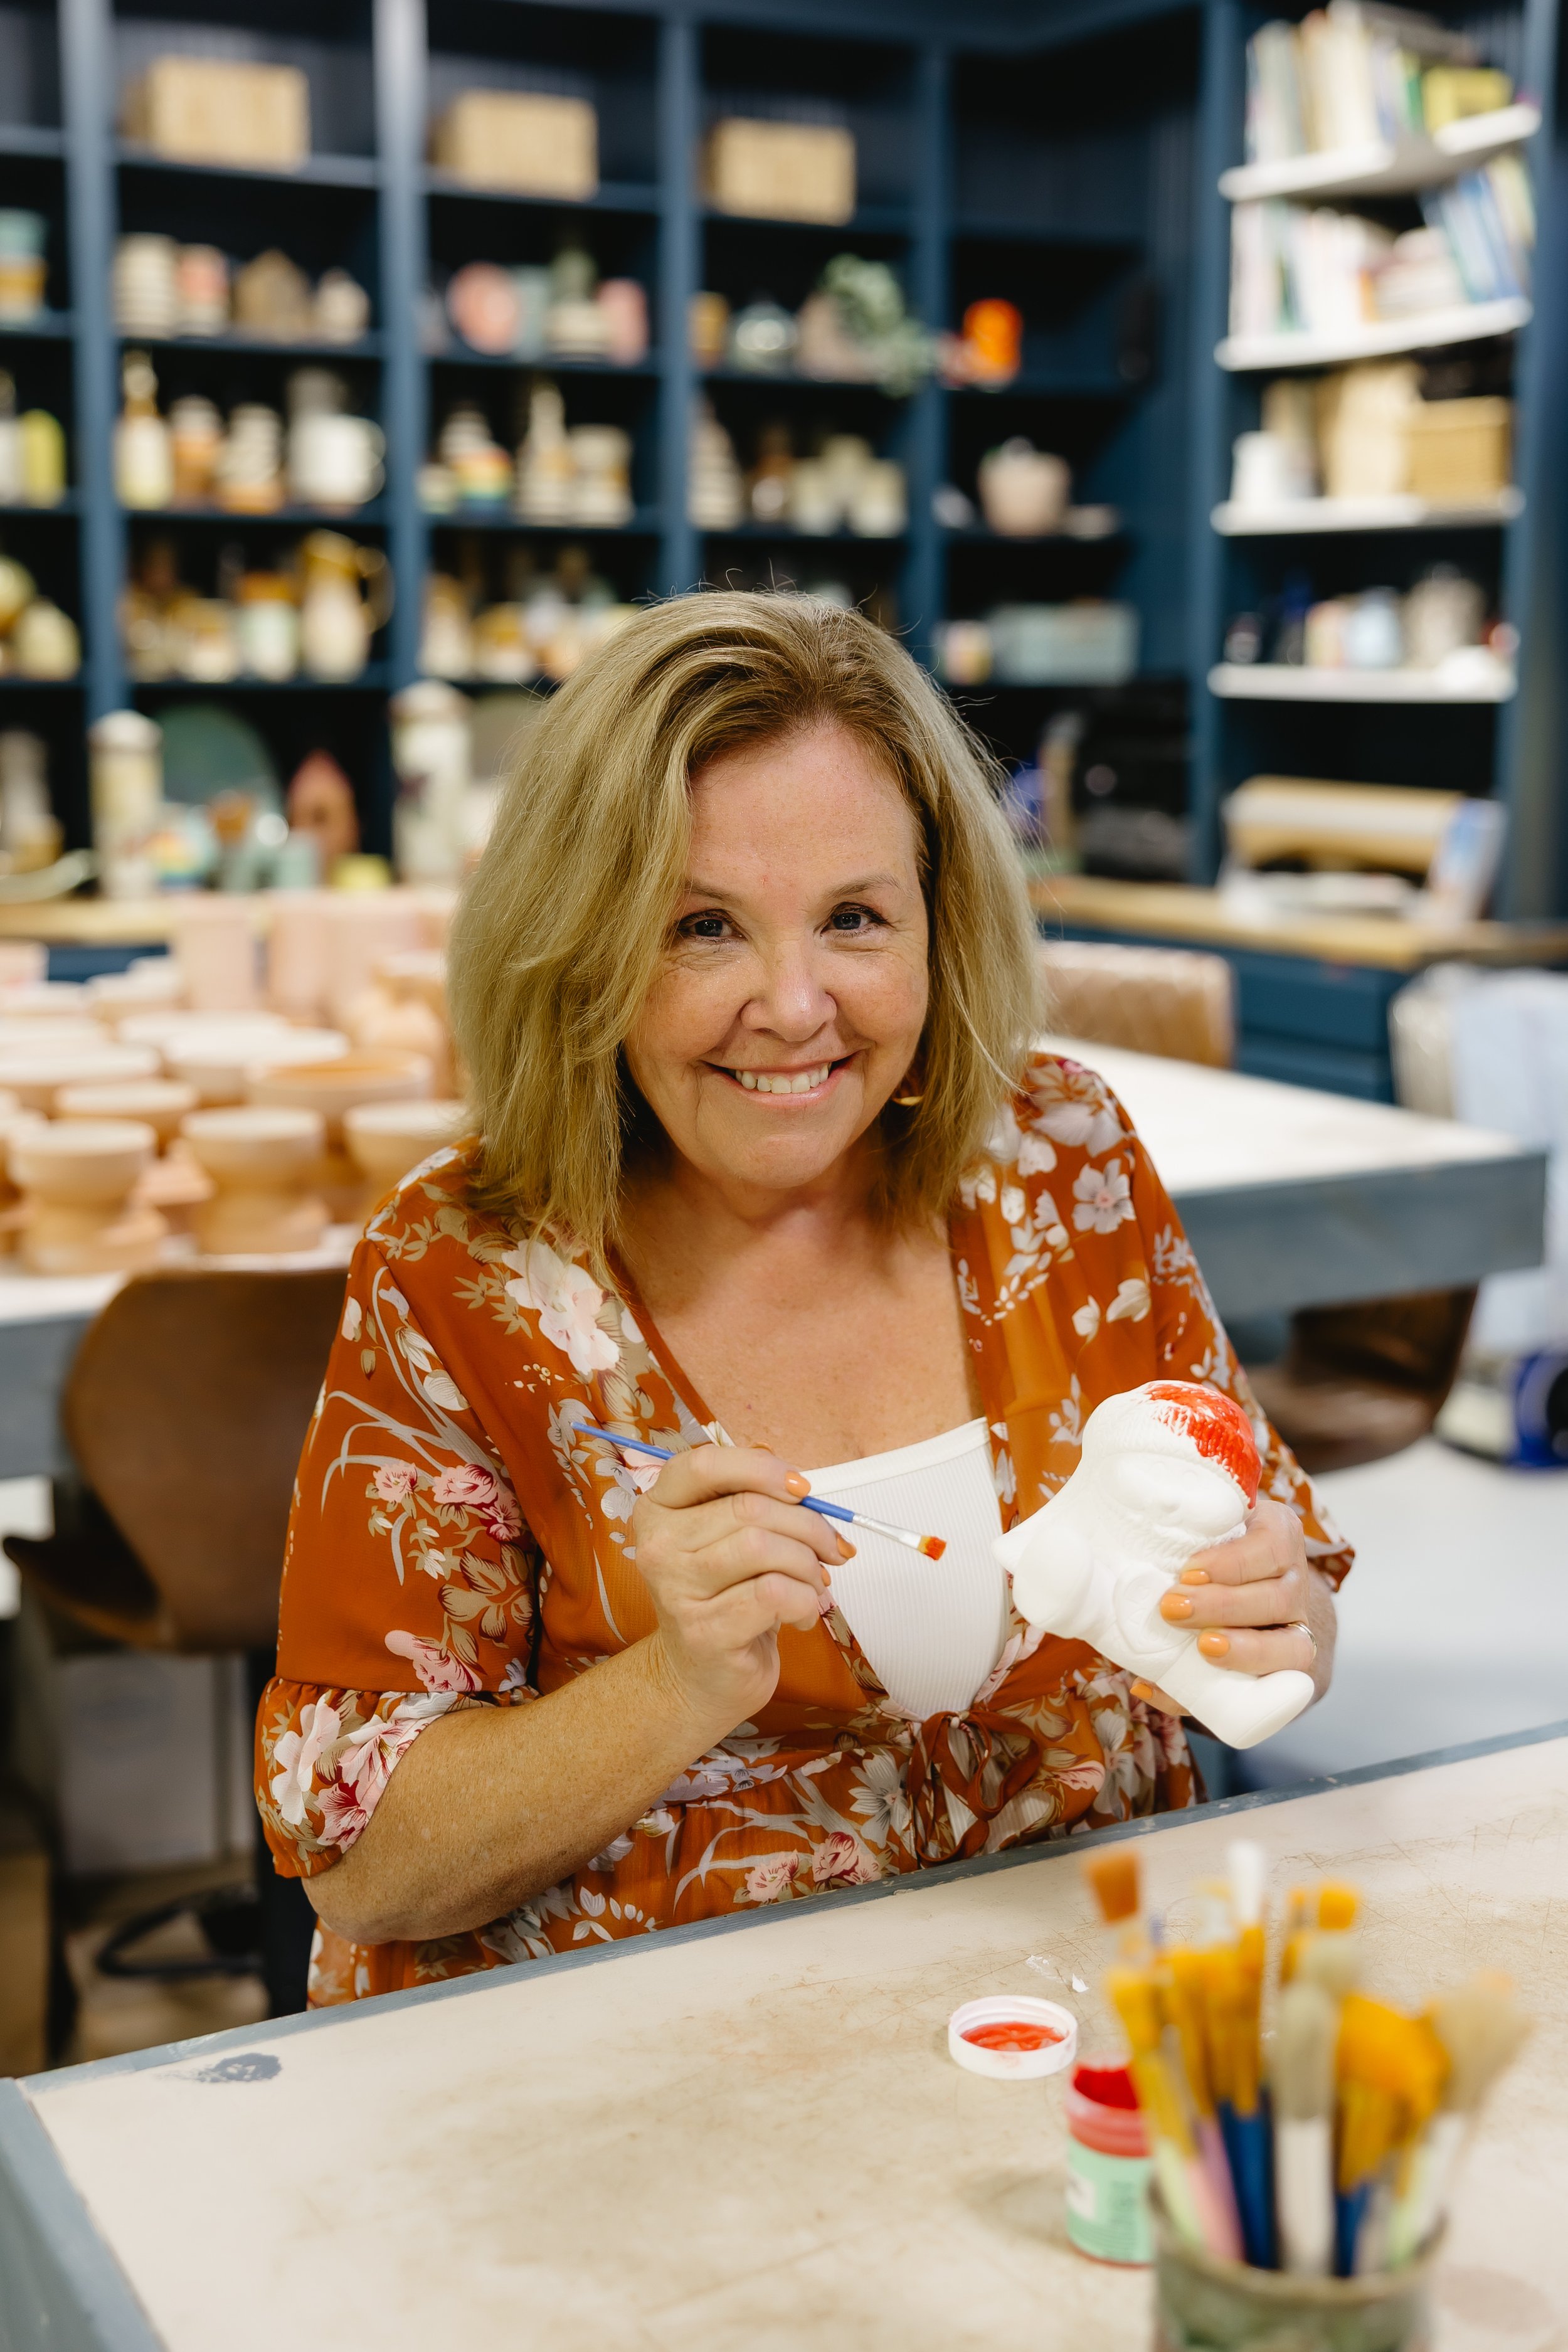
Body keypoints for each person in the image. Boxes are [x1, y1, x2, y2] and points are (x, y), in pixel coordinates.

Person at [256, 593, 1346, 2006]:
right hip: (633, 2076)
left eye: (852, 918)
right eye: (702, 926)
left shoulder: (1054, 1157)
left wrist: (1277, 1619)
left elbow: (1287, 1575)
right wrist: (676, 1684)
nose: (792, 1004)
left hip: (1062, 2018)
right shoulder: (464, 1268)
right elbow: (366, 1867)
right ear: (580, 941)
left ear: (939, 922)